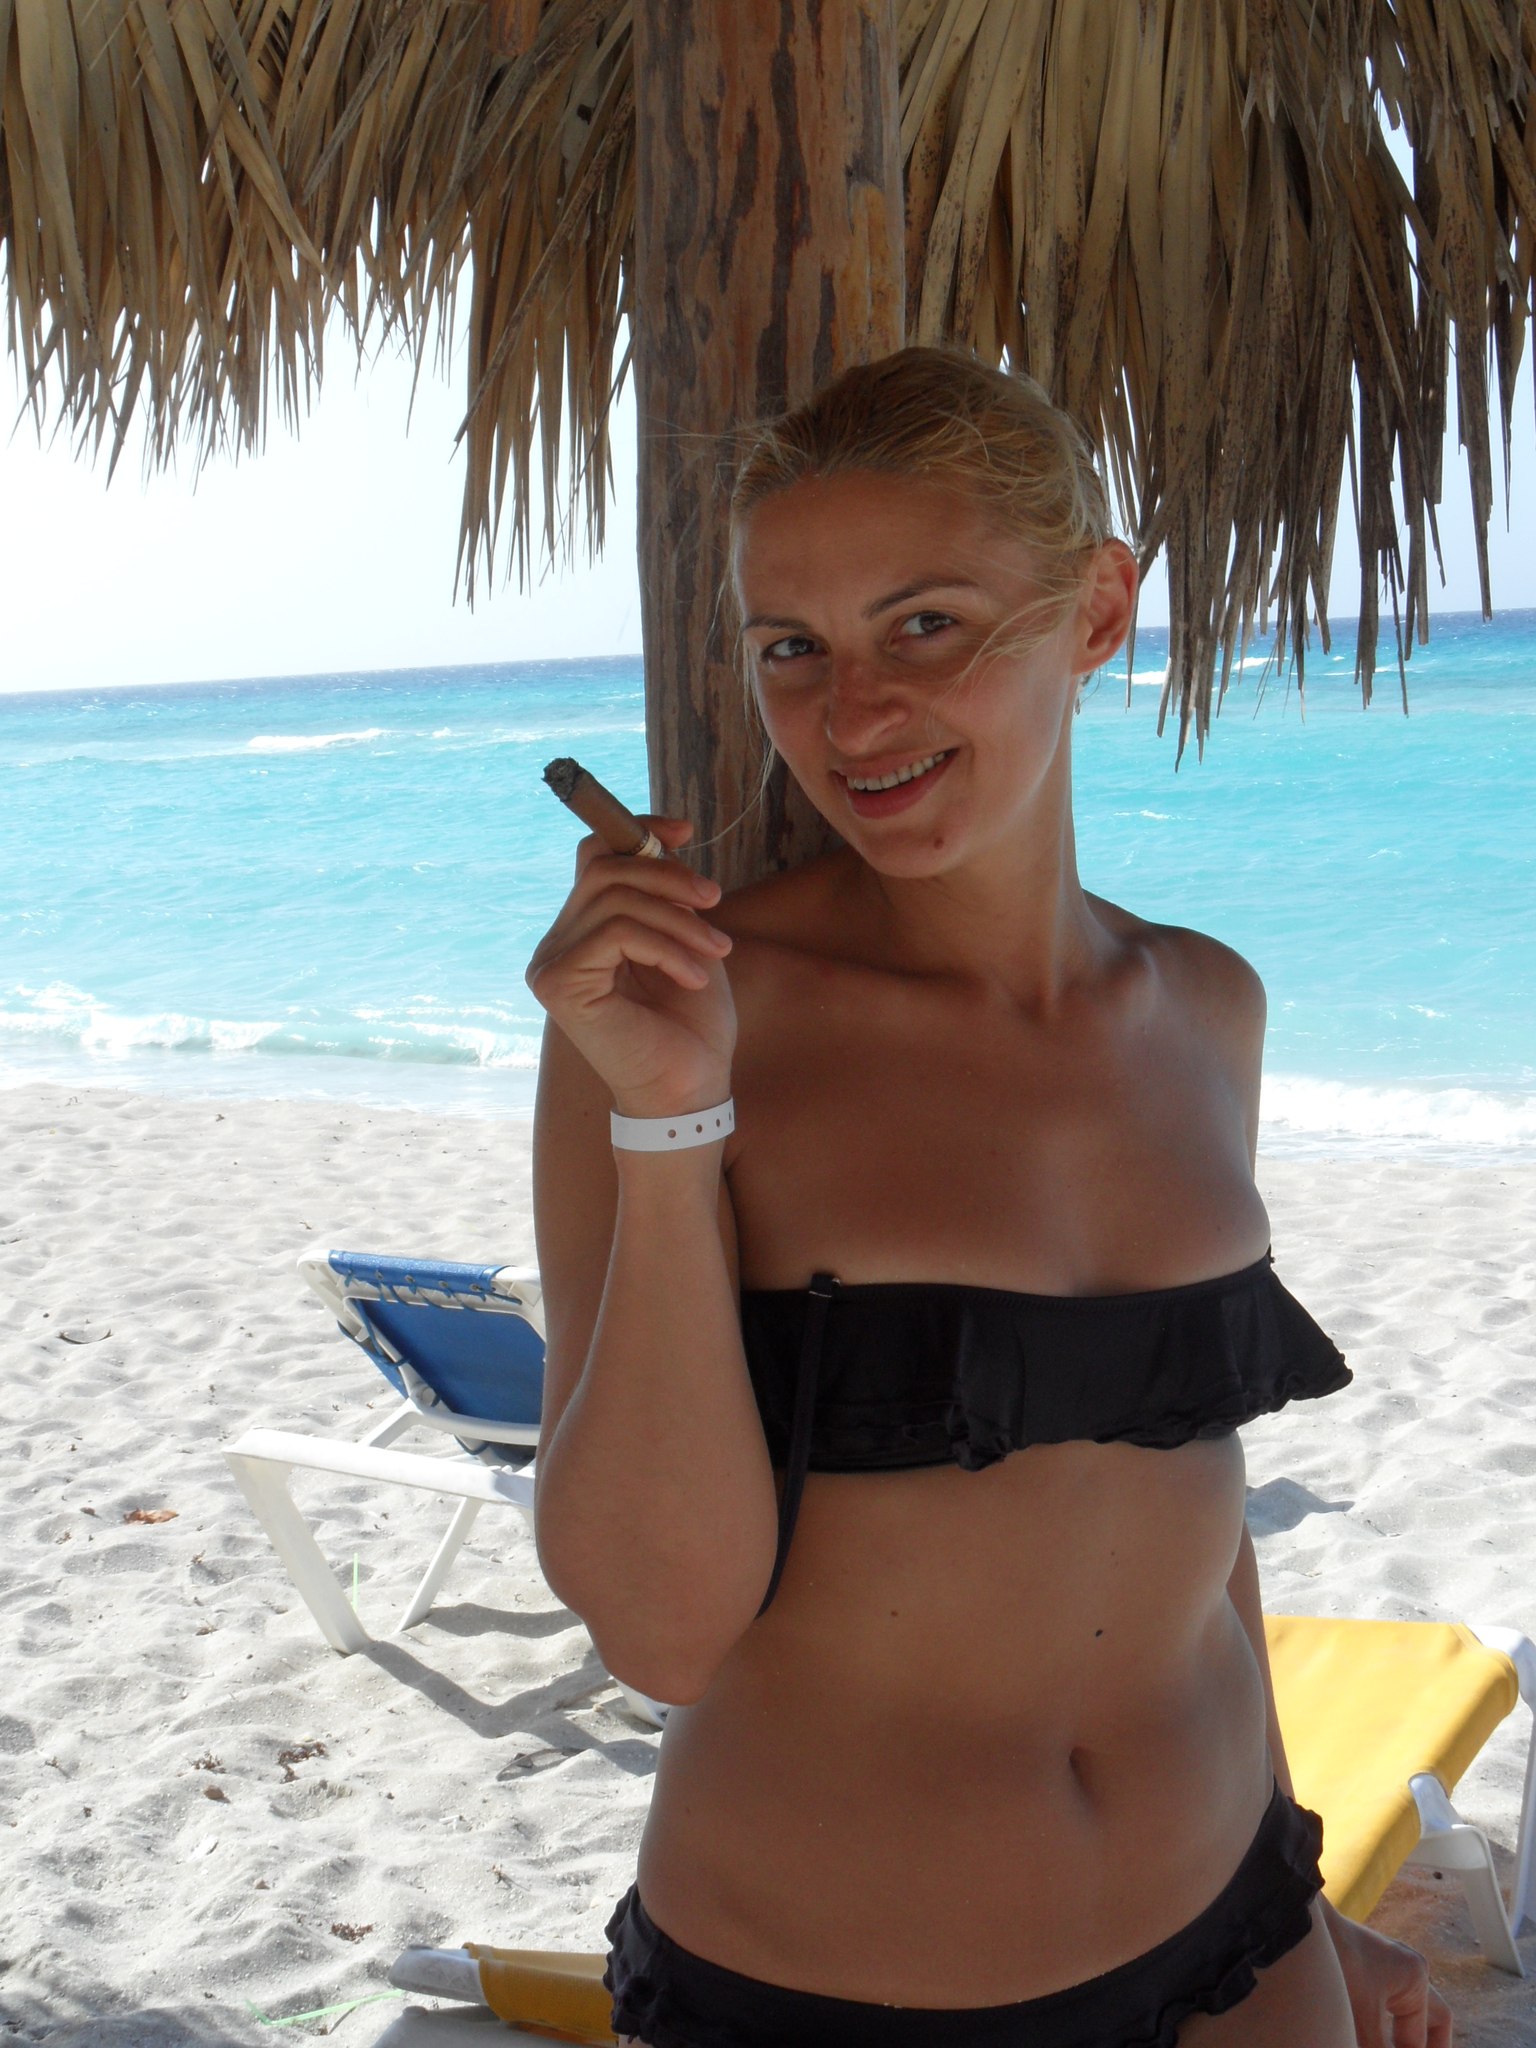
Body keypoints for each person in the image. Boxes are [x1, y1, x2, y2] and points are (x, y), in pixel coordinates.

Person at [525, 348, 1452, 2048]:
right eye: (792, 648)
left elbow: (1188, 1515)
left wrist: (1306, 1891)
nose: (852, 716)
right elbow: (659, 1634)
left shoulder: (1205, 1008)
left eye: (926, 625)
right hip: (836, 1990)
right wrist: (666, 1120)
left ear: (1096, 610)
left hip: (1240, 1930)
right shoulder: (685, 1025)